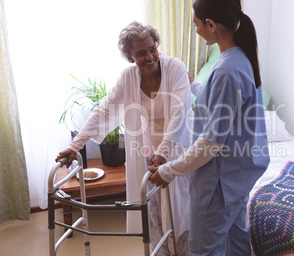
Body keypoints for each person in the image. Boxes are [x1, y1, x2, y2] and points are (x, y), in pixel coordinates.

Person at [148, 0, 270, 255]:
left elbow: (210, 143)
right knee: (236, 241)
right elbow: (222, 104)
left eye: (196, 24)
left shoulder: (227, 70)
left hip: (219, 183)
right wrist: (193, 85)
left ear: (211, 25)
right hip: (239, 176)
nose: (196, 30)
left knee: (204, 250)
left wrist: (169, 171)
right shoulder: (240, 59)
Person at [56, 21, 192, 255]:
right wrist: (74, 145)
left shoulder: (175, 68)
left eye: (152, 48)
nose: (150, 56)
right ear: (130, 57)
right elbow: (104, 110)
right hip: (146, 152)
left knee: (179, 212)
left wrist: (164, 153)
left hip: (176, 147)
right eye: (141, 52)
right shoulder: (128, 77)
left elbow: (179, 113)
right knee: (150, 211)